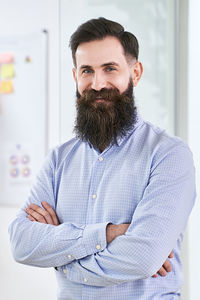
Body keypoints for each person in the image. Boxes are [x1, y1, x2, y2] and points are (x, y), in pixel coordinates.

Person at [9, 17, 196, 300]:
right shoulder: (58, 160)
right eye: (87, 71)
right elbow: (21, 242)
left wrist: (61, 258)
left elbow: (142, 258)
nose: (97, 84)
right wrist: (108, 234)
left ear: (135, 73)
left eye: (110, 68)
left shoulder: (169, 155)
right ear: (75, 77)